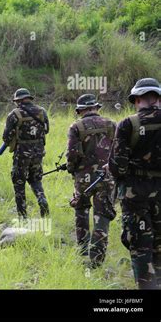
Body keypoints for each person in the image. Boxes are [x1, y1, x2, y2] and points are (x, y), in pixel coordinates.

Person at [108, 78, 161, 289]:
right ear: (157, 98)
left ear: (138, 99)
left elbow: (117, 167)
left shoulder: (129, 124)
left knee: (140, 246)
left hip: (135, 194)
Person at [66, 94, 117, 268]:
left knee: (81, 210)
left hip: (83, 178)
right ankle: (97, 259)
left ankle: (82, 249)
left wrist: (72, 170)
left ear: (80, 110)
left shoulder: (76, 126)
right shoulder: (112, 124)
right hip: (107, 175)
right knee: (102, 215)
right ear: (96, 107)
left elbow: (72, 154)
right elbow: (118, 152)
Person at [2, 88, 49, 219]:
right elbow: (46, 130)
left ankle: (22, 215)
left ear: (18, 101)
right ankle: (42, 199)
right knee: (36, 179)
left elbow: (6, 137)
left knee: (19, 183)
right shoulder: (42, 111)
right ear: (29, 98)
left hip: (21, 154)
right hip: (38, 152)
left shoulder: (14, 114)